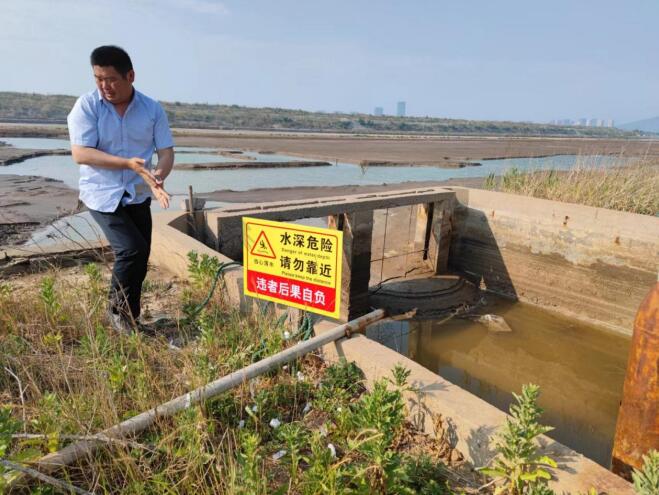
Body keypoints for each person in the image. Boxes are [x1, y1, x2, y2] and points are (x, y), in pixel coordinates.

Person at [67, 45, 174, 334]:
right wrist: (127, 164)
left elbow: (166, 152)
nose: (105, 86)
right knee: (130, 250)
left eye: (111, 79)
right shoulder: (87, 106)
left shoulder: (152, 109)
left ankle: (131, 319)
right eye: (98, 79)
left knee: (141, 255)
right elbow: (81, 153)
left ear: (130, 76)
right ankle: (117, 315)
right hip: (102, 193)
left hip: (138, 192)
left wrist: (158, 176)